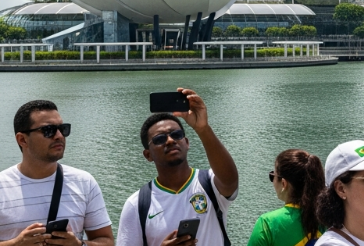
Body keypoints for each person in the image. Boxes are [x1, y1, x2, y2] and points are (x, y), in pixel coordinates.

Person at [117, 88, 239, 246]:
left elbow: (230, 181)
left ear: (187, 143)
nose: (170, 140)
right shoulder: (137, 204)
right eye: (160, 139)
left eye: (176, 135)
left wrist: (202, 128)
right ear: (148, 155)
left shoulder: (209, 183)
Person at [0, 100, 114, 246]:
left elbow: (107, 241)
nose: (59, 135)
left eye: (62, 128)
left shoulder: (84, 182)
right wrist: (15, 244)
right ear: (22, 140)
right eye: (48, 130)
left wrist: (79, 245)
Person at [248, 149, 326, 246]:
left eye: (273, 176)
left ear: (284, 183)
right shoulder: (332, 220)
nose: (273, 181)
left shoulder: (267, 224)